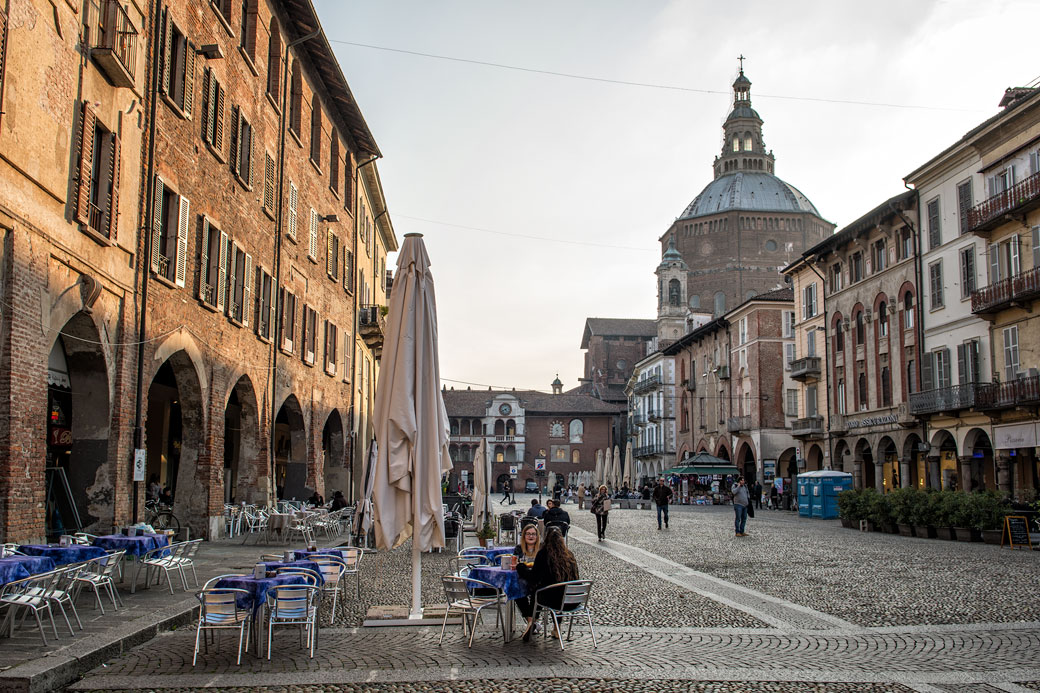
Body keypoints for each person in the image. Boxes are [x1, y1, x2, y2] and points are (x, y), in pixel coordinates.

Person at [516, 527, 578, 642]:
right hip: (572, 600)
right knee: (554, 590)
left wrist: (521, 567)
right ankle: (556, 628)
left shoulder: (544, 555)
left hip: (553, 600)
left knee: (538, 591)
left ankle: (532, 620)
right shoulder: (569, 555)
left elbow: (533, 578)